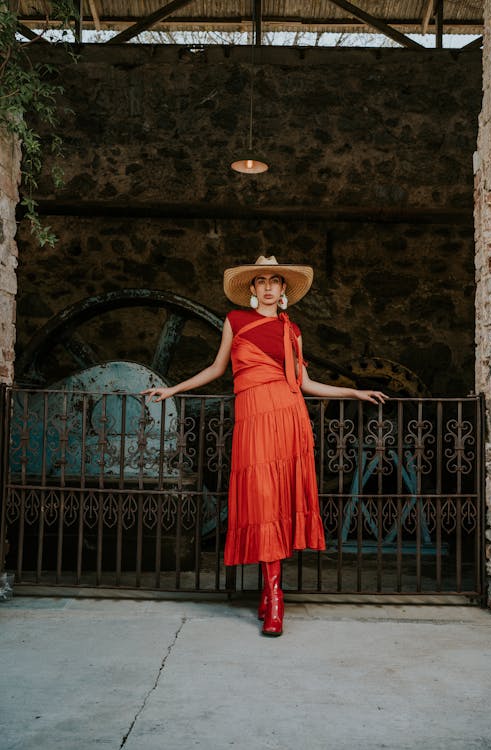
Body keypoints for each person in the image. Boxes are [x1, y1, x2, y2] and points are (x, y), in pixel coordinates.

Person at [143, 256, 388, 636]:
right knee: (261, 500)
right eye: (262, 281)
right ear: (253, 290)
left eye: (276, 280)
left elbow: (305, 382)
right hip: (253, 420)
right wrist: (172, 388)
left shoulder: (292, 329)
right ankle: (269, 590)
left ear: (283, 290)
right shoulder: (235, 321)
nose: (270, 286)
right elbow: (216, 369)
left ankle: (274, 597)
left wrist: (354, 392)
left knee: (279, 502)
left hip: (288, 417)